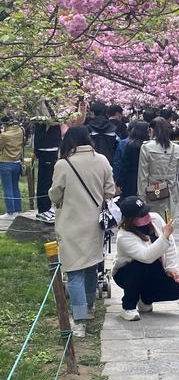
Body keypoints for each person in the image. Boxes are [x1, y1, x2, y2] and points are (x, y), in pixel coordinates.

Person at [48, 126, 115, 338]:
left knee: (74, 272)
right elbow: (110, 191)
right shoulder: (102, 160)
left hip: (71, 224)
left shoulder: (63, 164)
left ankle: (79, 322)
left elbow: (54, 194)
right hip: (95, 224)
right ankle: (89, 307)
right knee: (90, 266)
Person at [112, 196, 179, 321]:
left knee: (176, 289)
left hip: (153, 267)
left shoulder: (155, 218)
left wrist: (170, 268)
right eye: (141, 215)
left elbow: (170, 244)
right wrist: (165, 235)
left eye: (146, 212)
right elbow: (147, 256)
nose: (147, 216)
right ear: (130, 219)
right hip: (127, 273)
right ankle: (128, 307)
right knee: (139, 266)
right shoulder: (123, 236)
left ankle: (145, 299)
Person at [138, 117, 179, 226]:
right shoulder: (176, 148)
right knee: (168, 220)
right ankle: (167, 240)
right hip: (171, 189)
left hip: (153, 190)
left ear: (152, 130)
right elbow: (176, 172)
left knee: (154, 222)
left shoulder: (146, 147)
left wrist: (141, 196)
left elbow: (143, 174)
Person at [0, 116, 24, 218]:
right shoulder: (20, 131)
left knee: (7, 188)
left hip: (5, 163)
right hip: (17, 162)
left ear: (5, 124)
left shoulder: (5, 135)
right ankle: (17, 210)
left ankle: (10, 212)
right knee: (15, 187)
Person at [117, 121, 149, 198]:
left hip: (131, 178)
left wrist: (119, 182)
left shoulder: (131, 145)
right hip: (146, 177)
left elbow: (125, 165)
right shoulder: (149, 146)